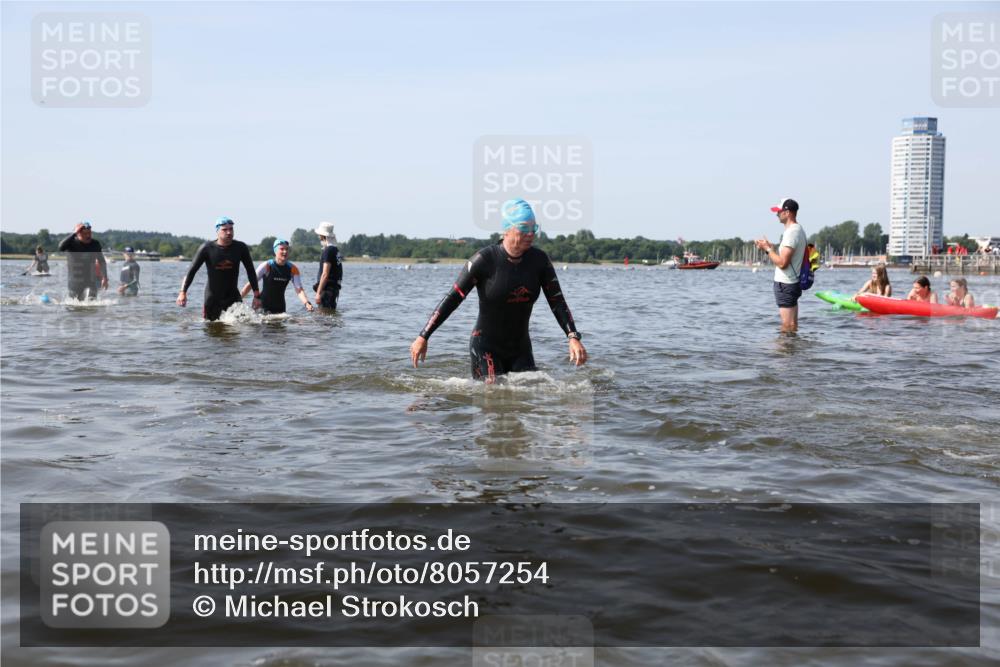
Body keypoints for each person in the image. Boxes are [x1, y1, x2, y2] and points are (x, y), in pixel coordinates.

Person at [409, 198, 587, 382]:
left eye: (534, 228)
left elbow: (557, 301)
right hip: (486, 348)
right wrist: (423, 336)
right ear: (507, 230)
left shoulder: (539, 261)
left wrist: (572, 336)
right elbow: (453, 298)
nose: (531, 234)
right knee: (493, 397)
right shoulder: (484, 260)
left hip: (520, 349)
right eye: (524, 228)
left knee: (528, 399)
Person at [177, 217, 260, 321]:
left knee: (237, 331)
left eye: (231, 229)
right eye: (225, 230)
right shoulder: (206, 248)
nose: (229, 232)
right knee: (211, 331)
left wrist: (257, 295)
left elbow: (251, 271)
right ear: (217, 231)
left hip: (233, 297)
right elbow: (191, 271)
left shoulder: (240, 247)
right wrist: (182, 292)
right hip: (212, 299)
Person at [754, 198, 807, 333]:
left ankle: (784, 353)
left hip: (786, 284)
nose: (777, 214)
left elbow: (783, 263)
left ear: (787, 212)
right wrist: (770, 248)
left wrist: (767, 249)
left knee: (787, 326)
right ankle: (792, 352)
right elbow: (787, 257)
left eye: (779, 211)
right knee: (792, 325)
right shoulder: (797, 229)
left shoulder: (791, 232)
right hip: (792, 283)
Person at [240, 238, 314, 314]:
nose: (285, 251)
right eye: (282, 249)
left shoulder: (293, 269)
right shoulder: (267, 265)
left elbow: (299, 290)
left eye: (287, 249)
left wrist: (306, 303)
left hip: (280, 309)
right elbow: (251, 284)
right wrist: (238, 299)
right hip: (262, 306)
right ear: (275, 251)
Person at [58, 221, 108, 300]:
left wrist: (105, 278)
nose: (88, 235)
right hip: (75, 282)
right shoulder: (71, 244)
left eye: (89, 233)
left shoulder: (95, 244)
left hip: (91, 280)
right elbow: (60, 247)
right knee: (75, 307)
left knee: (92, 305)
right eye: (85, 233)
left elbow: (101, 261)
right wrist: (74, 232)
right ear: (78, 233)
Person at [313, 221, 343, 310]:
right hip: (334, 290)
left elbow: (325, 274)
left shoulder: (328, 251)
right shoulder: (336, 250)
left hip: (327, 290)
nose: (319, 238)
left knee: (323, 319)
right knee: (329, 318)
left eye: (320, 236)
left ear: (323, 236)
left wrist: (318, 293)